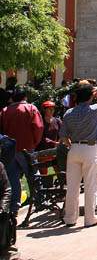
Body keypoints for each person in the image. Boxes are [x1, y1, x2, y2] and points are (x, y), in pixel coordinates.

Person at [58, 84, 97, 227]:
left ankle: (70, 218)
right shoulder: (95, 110)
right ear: (91, 96)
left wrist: (72, 145)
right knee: (91, 185)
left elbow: (64, 137)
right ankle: (90, 218)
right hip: (90, 148)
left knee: (72, 186)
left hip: (74, 148)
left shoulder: (69, 112)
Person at [0, 88, 43, 216]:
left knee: (12, 178)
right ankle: (39, 200)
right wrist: (34, 142)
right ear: (25, 97)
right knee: (34, 175)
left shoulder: (4, 111)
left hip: (10, 150)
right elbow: (38, 127)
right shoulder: (31, 108)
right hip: (27, 148)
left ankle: (14, 206)